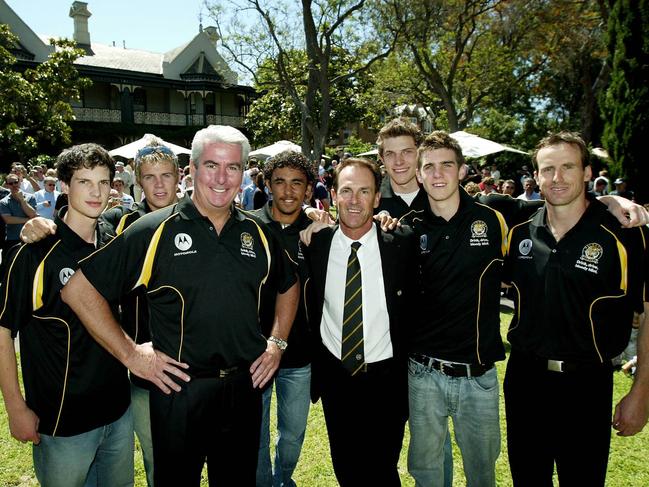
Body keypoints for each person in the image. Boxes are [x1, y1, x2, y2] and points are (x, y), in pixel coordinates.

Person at [60, 125, 299, 487]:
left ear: (243, 173)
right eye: (211, 166)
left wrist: (277, 342)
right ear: (194, 168)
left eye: (233, 167)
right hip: (178, 390)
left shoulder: (258, 231)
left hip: (243, 388)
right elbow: (78, 290)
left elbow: (289, 285)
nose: (222, 178)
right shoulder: (154, 229)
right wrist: (131, 355)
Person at [20, 136, 183, 487]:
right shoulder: (122, 226)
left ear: (180, 177)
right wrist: (37, 224)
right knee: (155, 458)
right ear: (137, 183)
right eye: (149, 176)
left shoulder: (200, 224)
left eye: (166, 175)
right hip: (132, 377)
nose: (158, 184)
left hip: (167, 380)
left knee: (178, 464)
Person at [503, 131, 649, 486]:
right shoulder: (518, 229)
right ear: (535, 177)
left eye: (568, 166)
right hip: (525, 380)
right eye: (547, 169)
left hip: (587, 383)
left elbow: (647, 317)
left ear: (587, 173)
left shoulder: (627, 234)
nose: (557, 178)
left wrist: (641, 393)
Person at [0, 143, 133, 487]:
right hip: (62, 423)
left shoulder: (113, 239)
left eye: (104, 182)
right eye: (84, 182)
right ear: (63, 186)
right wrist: (15, 407)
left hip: (118, 413)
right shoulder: (33, 253)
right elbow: (2, 331)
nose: (96, 191)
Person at [301, 157, 417, 486]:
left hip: (386, 380)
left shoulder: (401, 242)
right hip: (337, 377)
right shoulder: (315, 244)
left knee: (381, 469)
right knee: (347, 470)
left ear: (377, 198)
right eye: (347, 191)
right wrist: (311, 218)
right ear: (334, 195)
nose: (355, 200)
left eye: (364, 191)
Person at [406, 131, 507, 487]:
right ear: (418, 175)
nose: (437, 174)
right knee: (427, 474)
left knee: (482, 475)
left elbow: (561, 206)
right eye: (429, 167)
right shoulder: (408, 228)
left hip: (477, 376)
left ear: (462, 171)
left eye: (446, 165)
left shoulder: (495, 220)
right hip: (423, 374)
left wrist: (611, 202)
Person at [253, 150, 315, 487]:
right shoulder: (246, 227)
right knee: (256, 436)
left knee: (292, 435)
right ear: (267, 185)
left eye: (297, 183)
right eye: (280, 182)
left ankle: (282, 479)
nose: (288, 191)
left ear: (308, 190)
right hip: (255, 355)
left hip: (300, 356)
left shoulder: (320, 232)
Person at [0, 173, 37, 255]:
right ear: (7, 185)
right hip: (13, 239)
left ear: (20, 182)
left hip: (31, 237)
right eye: (11, 183)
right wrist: (28, 220)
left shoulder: (31, 197)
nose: (14, 185)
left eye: (16, 182)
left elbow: (32, 214)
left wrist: (22, 200)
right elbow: (8, 220)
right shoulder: (3, 202)